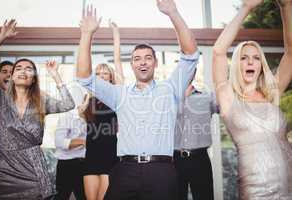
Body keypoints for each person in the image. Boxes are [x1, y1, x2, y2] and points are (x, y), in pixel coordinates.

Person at [76, 0, 199, 199]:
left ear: (155, 63)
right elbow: (84, 77)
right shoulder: (119, 93)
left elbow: (191, 54)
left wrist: (173, 13)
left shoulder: (170, 89)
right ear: (132, 65)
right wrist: (86, 34)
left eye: (148, 57)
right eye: (137, 58)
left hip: (162, 171)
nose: (142, 62)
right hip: (125, 170)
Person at [212, 0, 292, 199]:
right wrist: (246, 8)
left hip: (288, 182)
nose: (250, 62)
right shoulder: (228, 97)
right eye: (244, 57)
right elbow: (218, 51)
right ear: (237, 64)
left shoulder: (271, 92)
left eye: (256, 58)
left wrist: (286, 7)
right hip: (255, 189)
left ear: (261, 65)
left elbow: (291, 52)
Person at [0, 20, 75, 200]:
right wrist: (1, 37)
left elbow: (69, 104)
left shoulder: (41, 101)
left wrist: (56, 76)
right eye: (18, 68)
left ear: (34, 78)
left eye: (29, 69)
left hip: (34, 170)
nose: (23, 71)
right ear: (12, 76)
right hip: (5, 171)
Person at [80, 13, 122, 200]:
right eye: (99, 73)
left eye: (106, 73)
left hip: (110, 156)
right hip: (91, 156)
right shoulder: (87, 101)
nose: (102, 75)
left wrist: (116, 36)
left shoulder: (116, 97)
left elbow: (118, 62)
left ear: (110, 77)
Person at [174, 79, 218, 200]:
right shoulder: (167, 99)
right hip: (174, 160)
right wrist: (181, 97)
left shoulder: (207, 97)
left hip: (200, 159)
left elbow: (226, 106)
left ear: (194, 71)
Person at [54, 94, 91, 200]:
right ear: (83, 101)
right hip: (67, 164)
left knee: (84, 197)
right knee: (61, 197)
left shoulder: (93, 118)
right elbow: (59, 142)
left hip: (86, 164)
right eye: (89, 101)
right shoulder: (67, 116)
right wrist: (84, 142)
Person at [0, 60, 13, 167]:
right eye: (4, 71)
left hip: (13, 159)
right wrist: (0, 41)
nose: (9, 74)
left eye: (12, 72)